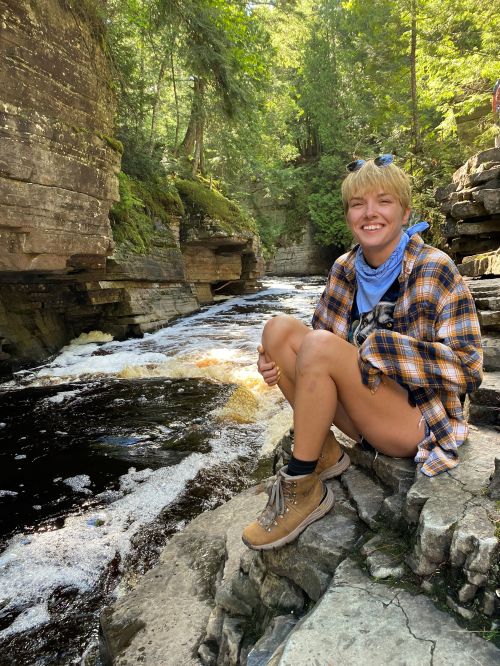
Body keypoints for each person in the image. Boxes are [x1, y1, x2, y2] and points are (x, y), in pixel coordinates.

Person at [242, 154, 483, 551]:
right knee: (278, 331)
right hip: (362, 409)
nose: (370, 213)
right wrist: (273, 362)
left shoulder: (433, 268)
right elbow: (318, 350)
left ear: (405, 212)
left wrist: (382, 350)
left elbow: (469, 369)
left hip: (416, 419)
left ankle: (302, 487)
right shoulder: (345, 267)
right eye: (358, 204)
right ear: (349, 215)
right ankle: (324, 452)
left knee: (317, 347)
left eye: (383, 201)